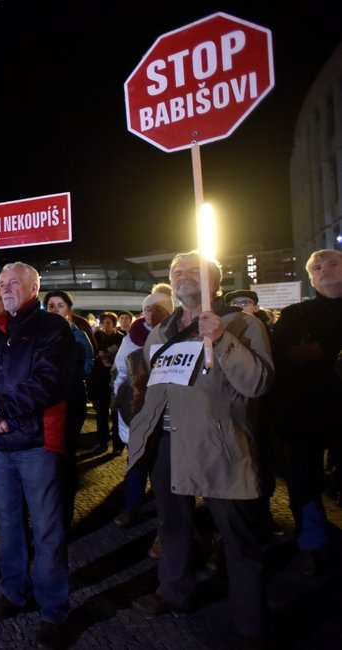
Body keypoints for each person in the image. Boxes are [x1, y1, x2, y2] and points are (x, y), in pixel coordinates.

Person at [127, 252, 273, 647]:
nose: (183, 276)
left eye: (193, 270)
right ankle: (175, 591)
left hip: (219, 444)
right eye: (177, 272)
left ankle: (250, 621)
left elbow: (257, 383)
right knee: (172, 524)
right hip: (169, 444)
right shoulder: (161, 334)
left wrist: (221, 338)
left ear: (213, 279)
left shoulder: (242, 324)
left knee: (238, 536)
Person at [0, 263, 75, 649]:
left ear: (33, 287)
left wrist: (0, 412)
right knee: (8, 524)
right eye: (2, 283)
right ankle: (15, 592)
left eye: (14, 283)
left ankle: (53, 610)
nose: (6, 288)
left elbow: (47, 382)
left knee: (46, 528)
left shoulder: (52, 328)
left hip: (35, 445)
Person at [271, 249, 342, 575]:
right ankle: (312, 543)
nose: (324, 269)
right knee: (304, 483)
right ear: (310, 276)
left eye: (332, 263)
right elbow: (280, 358)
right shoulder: (297, 313)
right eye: (317, 266)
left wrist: (318, 353)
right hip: (305, 414)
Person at [112, 287, 174, 528]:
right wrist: (120, 395)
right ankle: (131, 506)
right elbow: (120, 370)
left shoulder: (179, 333)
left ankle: (167, 517)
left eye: (158, 308)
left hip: (168, 410)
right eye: (148, 308)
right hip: (137, 408)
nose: (151, 312)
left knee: (164, 467)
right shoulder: (132, 337)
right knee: (136, 461)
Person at [43, 289, 93, 531]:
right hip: (46, 404)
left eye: (60, 305)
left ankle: (64, 515)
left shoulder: (78, 336)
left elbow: (87, 368)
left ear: (69, 310)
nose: (54, 309)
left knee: (65, 458)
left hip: (71, 401)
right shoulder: (39, 336)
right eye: (50, 305)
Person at [85, 312, 123, 454]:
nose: (105, 325)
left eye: (108, 323)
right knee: (101, 413)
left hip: (115, 380)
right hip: (100, 379)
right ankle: (102, 442)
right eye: (103, 323)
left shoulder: (121, 338)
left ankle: (118, 445)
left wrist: (107, 355)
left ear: (114, 324)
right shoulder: (95, 337)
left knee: (116, 413)